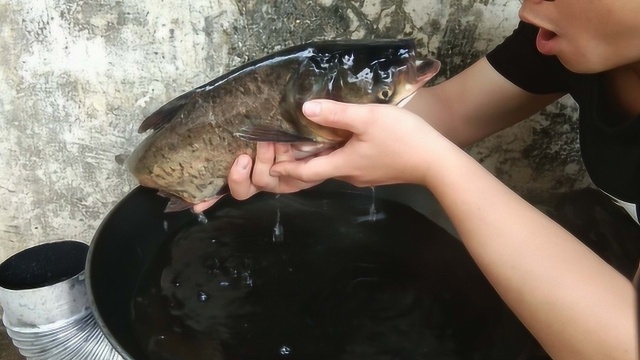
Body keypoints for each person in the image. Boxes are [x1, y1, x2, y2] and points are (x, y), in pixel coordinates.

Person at [194, 0, 640, 358]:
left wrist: (437, 165)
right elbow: (451, 111)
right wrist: (312, 138)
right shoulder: (561, 33)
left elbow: (624, 346)